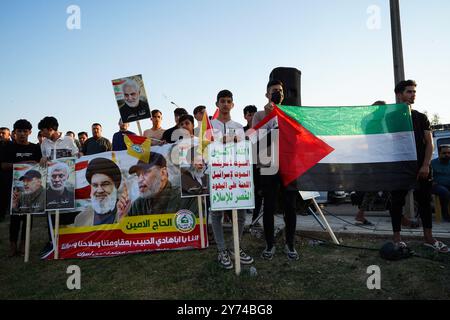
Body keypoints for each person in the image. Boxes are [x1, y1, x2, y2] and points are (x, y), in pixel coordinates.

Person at [389, 80, 448, 252]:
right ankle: (397, 240)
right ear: (399, 94)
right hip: (399, 167)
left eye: (414, 92)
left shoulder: (421, 117)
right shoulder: (389, 117)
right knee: (396, 203)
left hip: (421, 166)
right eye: (409, 91)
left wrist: (425, 165)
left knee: (424, 201)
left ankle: (429, 238)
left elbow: (429, 144)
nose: (413, 94)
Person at [252, 80, 300, 261]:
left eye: (280, 91)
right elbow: (256, 138)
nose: (277, 93)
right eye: (273, 91)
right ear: (267, 94)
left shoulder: (291, 114)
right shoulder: (259, 115)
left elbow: (297, 136)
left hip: (288, 164)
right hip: (268, 164)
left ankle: (290, 244)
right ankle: (270, 244)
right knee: (269, 206)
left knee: (290, 206)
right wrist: (268, 115)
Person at [209, 89, 254, 270]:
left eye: (229, 101)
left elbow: (244, 149)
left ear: (233, 105)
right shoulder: (210, 126)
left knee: (241, 213)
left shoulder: (239, 126)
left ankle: (236, 247)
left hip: (237, 175)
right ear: (217, 104)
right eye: (222, 101)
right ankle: (222, 250)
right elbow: (205, 149)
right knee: (216, 213)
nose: (226, 104)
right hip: (217, 175)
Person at [38, 116, 79, 257]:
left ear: (51, 129)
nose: (41, 133)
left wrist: (78, 155)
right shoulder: (44, 144)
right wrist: (43, 159)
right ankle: (53, 241)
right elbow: (44, 161)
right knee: (53, 210)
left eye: (43, 130)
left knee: (70, 210)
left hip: (68, 182)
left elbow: (77, 156)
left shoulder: (68, 140)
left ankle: (72, 238)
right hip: (51, 184)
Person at [1, 119, 42, 256]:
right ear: (14, 132)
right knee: (14, 217)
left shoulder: (35, 148)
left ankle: (24, 244)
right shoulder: (7, 147)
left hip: (31, 189)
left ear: (30, 132)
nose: (22, 134)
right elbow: (3, 165)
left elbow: (40, 165)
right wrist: (22, 164)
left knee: (27, 216)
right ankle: (13, 246)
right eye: (19, 131)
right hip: (12, 187)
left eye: (25, 131)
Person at [117, 152, 197, 216]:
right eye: (138, 175)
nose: (140, 180)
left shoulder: (186, 199)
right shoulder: (138, 205)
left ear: (163, 173)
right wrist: (122, 218)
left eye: (145, 172)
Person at [74, 158, 123, 226]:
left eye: (105, 184)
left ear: (115, 186)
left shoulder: (128, 212)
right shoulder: (81, 218)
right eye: (95, 185)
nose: (99, 190)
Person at [431, 144, 450, 222]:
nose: (447, 155)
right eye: (444, 153)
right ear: (439, 153)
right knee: (444, 192)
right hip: (436, 186)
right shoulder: (432, 163)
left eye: (449, 153)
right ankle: (445, 214)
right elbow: (429, 178)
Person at [0, 127, 12, 222]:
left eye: (3, 133)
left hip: (10, 177)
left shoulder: (13, 146)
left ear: (9, 135)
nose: (1, 135)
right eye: (0, 133)